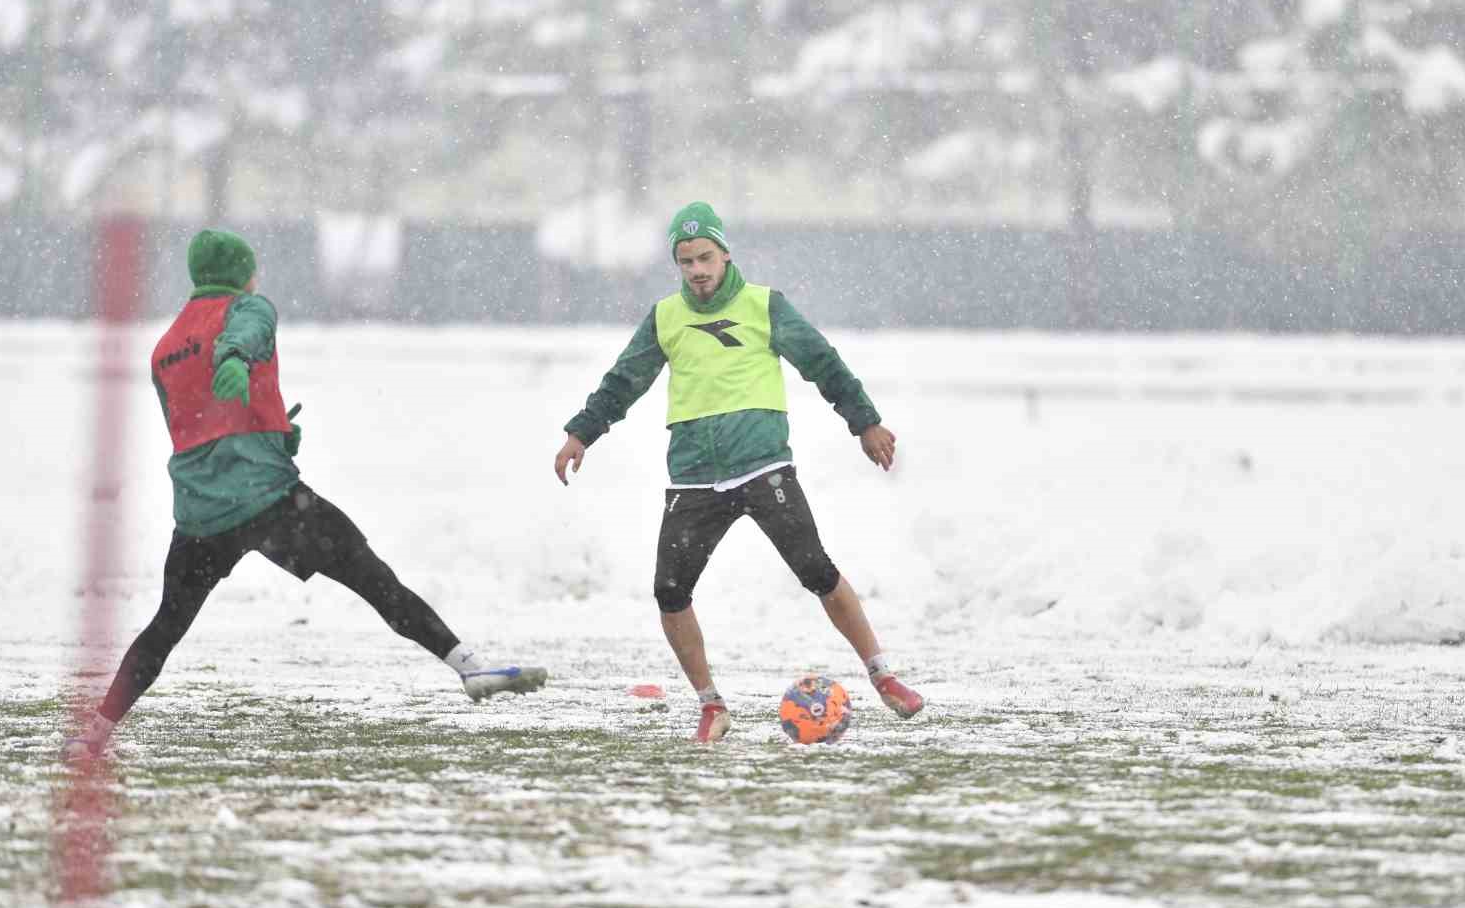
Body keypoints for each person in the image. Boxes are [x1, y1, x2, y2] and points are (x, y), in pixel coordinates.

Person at [64, 229, 546, 760]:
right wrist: (234, 358)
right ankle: (468, 666)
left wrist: (273, 429)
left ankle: (96, 731)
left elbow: (193, 425)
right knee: (372, 577)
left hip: (201, 514)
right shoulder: (250, 309)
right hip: (268, 500)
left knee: (166, 625)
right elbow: (244, 333)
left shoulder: (164, 348)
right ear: (241, 273)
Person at [553, 202, 924, 742]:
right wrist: (580, 433)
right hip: (694, 478)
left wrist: (864, 422)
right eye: (686, 262)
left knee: (817, 571)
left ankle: (884, 677)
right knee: (669, 592)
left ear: (726, 254)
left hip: (763, 467)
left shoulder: (764, 306)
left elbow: (823, 364)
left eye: (705, 257)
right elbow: (622, 383)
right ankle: (711, 706)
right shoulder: (664, 318)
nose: (697, 270)